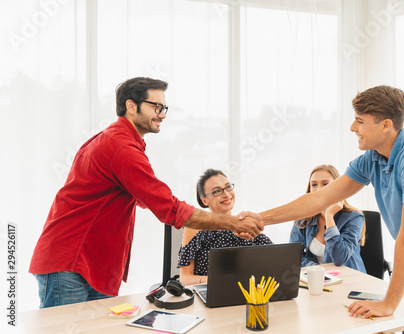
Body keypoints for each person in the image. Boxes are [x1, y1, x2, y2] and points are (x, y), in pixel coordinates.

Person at [241, 85, 404, 333]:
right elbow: (320, 199)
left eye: (360, 121)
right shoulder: (371, 159)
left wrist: (389, 303)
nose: (353, 128)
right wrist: (261, 218)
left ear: (386, 125)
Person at [29, 77, 263, 308]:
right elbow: (169, 209)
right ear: (131, 106)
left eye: (165, 108)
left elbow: (147, 198)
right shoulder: (121, 147)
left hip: (91, 265)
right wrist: (233, 223)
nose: (162, 114)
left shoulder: (117, 142)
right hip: (71, 261)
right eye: (156, 106)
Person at [178, 169, 273, 285]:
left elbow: (276, 266)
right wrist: (214, 280)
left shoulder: (246, 224)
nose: (227, 194)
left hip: (249, 294)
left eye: (228, 187)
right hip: (211, 293)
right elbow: (185, 279)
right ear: (204, 200)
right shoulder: (195, 229)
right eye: (217, 191)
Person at [289, 164, 366, 272]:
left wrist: (329, 216)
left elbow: (340, 258)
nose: (319, 189)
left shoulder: (354, 217)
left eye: (325, 184)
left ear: (337, 187)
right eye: (314, 185)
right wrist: (317, 270)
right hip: (319, 280)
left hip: (350, 280)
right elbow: (294, 255)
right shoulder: (303, 219)